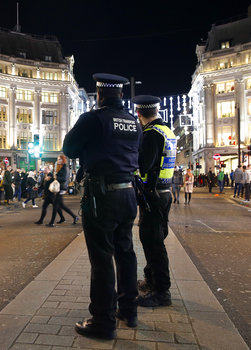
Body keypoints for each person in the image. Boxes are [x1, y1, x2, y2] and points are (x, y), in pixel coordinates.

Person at [63, 73, 142, 339]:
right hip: (128, 193)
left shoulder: (92, 119)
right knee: (126, 252)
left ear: (99, 95)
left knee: (101, 259)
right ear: (121, 95)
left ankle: (103, 320)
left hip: (101, 195)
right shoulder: (133, 122)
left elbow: (69, 149)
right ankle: (129, 310)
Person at [133, 94, 176, 309]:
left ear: (139, 113)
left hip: (153, 194)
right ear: (157, 112)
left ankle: (161, 291)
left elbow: (145, 165)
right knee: (155, 239)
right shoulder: (166, 131)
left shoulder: (150, 134)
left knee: (152, 242)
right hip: (165, 191)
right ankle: (151, 280)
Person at [47, 154, 79, 226]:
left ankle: (52, 222)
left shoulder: (65, 168)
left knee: (55, 205)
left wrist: (56, 177)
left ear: (63, 160)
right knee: (61, 205)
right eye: (58, 159)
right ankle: (71, 217)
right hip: (60, 187)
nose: (58, 160)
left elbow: (64, 179)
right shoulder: (60, 167)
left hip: (61, 188)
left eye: (60, 159)